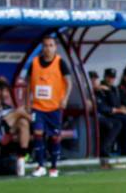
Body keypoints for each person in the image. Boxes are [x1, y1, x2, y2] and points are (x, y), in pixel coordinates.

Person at [26, 36, 72, 178]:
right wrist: (27, 101)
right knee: (38, 133)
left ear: (55, 47)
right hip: (38, 106)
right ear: (42, 47)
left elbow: (69, 82)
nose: (48, 48)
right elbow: (28, 84)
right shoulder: (34, 63)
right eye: (45, 45)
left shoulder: (60, 62)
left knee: (54, 137)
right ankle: (40, 166)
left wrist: (65, 98)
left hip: (54, 107)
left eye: (51, 45)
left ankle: (53, 167)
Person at [99, 68, 126, 155]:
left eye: (113, 78)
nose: (111, 80)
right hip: (108, 114)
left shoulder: (114, 89)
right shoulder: (101, 88)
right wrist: (118, 109)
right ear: (105, 77)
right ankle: (124, 148)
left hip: (117, 112)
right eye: (109, 77)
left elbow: (119, 102)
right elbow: (104, 105)